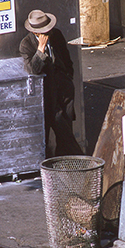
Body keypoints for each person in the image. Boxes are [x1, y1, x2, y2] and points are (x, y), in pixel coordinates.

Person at [19, 9, 83, 158]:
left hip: (63, 89)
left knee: (66, 129)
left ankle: (67, 160)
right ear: (36, 33)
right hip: (46, 95)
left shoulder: (57, 35)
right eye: (44, 32)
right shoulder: (26, 45)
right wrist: (40, 50)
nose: (48, 34)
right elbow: (34, 70)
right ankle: (74, 158)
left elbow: (67, 60)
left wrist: (68, 76)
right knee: (49, 131)